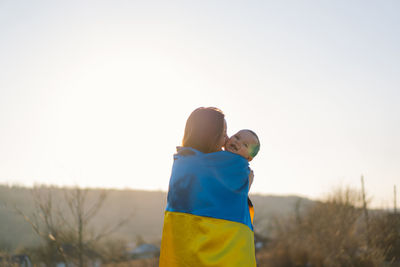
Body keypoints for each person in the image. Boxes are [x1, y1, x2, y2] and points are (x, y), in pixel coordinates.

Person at [159, 107, 257, 267]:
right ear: (209, 135)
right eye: (224, 132)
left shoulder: (182, 162)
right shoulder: (234, 166)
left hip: (183, 256)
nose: (227, 138)